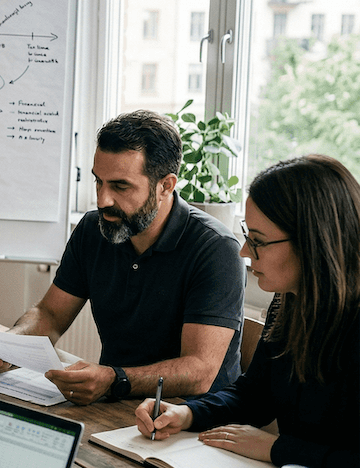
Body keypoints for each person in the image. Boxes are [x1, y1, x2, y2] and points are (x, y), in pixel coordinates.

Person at [0, 110, 246, 404]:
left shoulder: (216, 249)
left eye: (120, 186)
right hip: (116, 403)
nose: (103, 200)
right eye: (98, 181)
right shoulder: (94, 230)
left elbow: (199, 372)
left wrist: (114, 379)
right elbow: (50, 315)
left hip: (194, 419)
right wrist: (11, 344)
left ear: (165, 186)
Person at [135, 155, 360, 467]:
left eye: (258, 241)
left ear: (313, 242)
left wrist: (275, 449)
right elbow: (253, 396)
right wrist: (187, 413)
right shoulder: (289, 302)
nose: (244, 252)